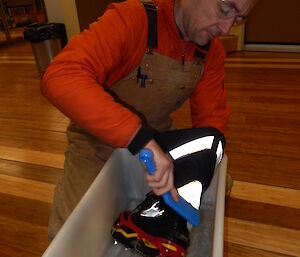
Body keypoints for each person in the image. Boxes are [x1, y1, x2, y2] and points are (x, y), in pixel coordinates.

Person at [41, 0, 257, 246]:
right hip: (95, 140)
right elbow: (61, 75)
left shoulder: (211, 53)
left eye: (238, 19)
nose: (227, 28)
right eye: (225, 9)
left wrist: (197, 170)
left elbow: (211, 125)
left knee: (217, 182)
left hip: (156, 136)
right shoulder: (132, 19)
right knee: (72, 238)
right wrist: (138, 137)